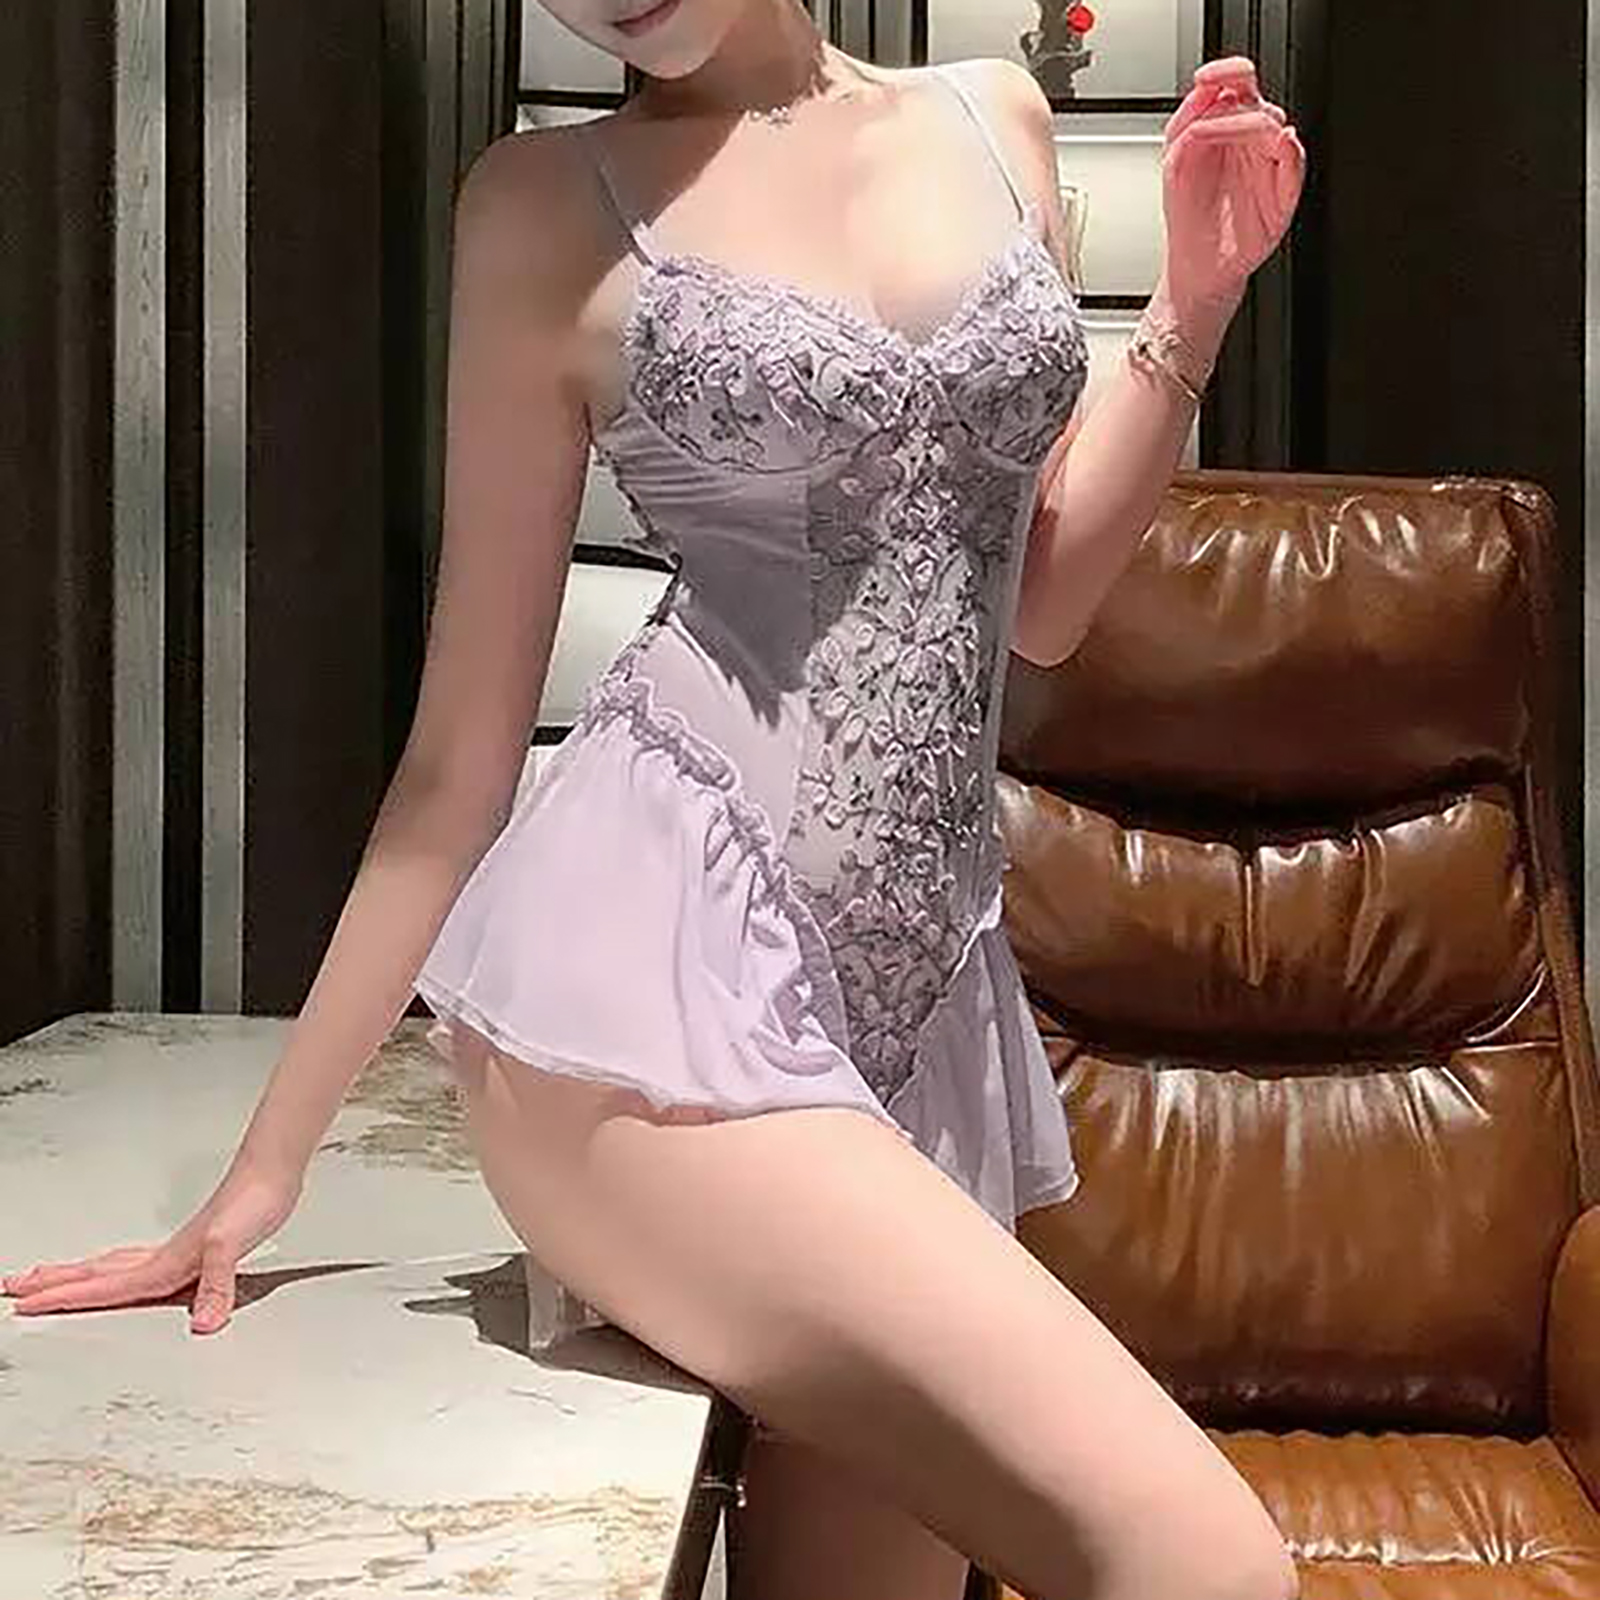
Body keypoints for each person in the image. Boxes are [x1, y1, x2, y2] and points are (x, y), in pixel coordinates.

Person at [4, 4, 1306, 1597]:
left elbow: (1038, 601)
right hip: (654, 998)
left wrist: (1193, 303)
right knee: (1205, 1562)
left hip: (925, 1005)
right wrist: (267, 1167)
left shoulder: (995, 118)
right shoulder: (542, 205)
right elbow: (457, 762)